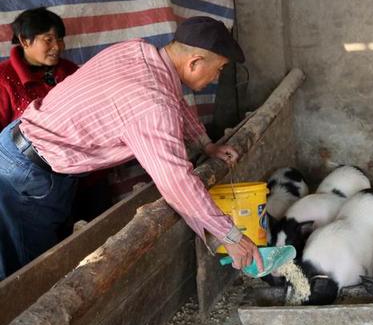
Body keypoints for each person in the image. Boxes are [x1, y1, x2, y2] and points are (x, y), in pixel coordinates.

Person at [0, 16, 262, 280]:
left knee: (40, 256)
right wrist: (231, 236)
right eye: (219, 69)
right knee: (27, 272)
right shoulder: (153, 103)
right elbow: (176, 181)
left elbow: (174, 100)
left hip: (23, 150)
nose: (217, 77)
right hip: (26, 175)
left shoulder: (137, 51)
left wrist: (206, 145)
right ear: (194, 63)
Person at [0, 7, 78, 129]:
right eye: (48, 40)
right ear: (24, 41)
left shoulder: (71, 71)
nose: (57, 47)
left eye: (60, 39)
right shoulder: (3, 78)